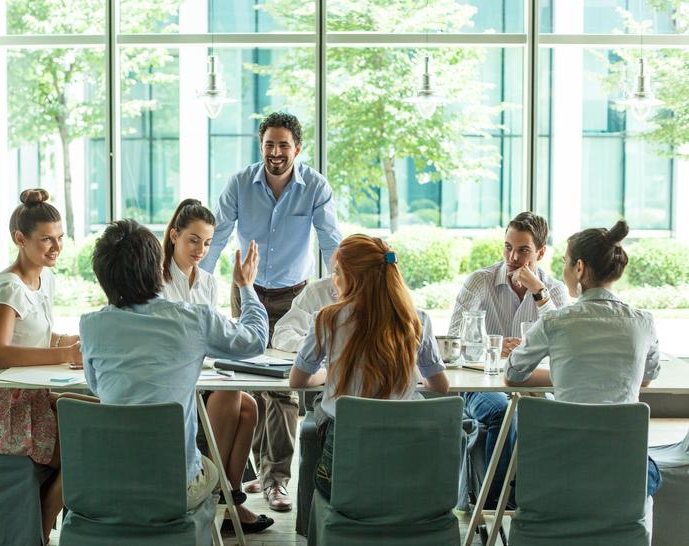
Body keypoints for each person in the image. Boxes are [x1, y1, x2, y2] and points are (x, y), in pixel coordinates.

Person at [80, 219, 273, 535]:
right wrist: (246, 286)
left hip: (109, 483)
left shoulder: (91, 325)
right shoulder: (192, 319)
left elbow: (97, 387)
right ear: (157, 269)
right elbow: (253, 340)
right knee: (212, 471)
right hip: (174, 487)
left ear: (104, 277)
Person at [200, 111, 343, 512]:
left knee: (283, 388)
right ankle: (248, 473)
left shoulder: (314, 186)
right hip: (247, 291)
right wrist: (199, 289)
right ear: (260, 146)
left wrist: (341, 292)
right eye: (269, 145)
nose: (276, 153)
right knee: (246, 379)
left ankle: (277, 479)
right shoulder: (239, 184)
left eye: (283, 145)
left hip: (293, 297)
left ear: (297, 148)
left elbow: (332, 242)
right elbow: (216, 240)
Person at [0, 189, 97, 546]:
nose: (56, 247)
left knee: (95, 414)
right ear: (20, 239)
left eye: (60, 238)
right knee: (86, 450)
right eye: (46, 240)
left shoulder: (43, 279)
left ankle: (53, 516)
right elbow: (0, 353)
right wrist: (61, 353)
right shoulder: (9, 287)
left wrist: (73, 340)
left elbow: (39, 334)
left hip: (28, 396)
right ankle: (38, 528)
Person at [505, 220, 661, 497]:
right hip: (624, 467)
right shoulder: (643, 322)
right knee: (651, 470)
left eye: (566, 263)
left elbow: (513, 374)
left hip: (566, 460)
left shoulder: (555, 321)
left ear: (579, 268)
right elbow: (647, 378)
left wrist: (567, 372)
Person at [289, 234, 450, 498]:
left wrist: (329, 374)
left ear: (353, 277)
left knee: (323, 412)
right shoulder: (417, 319)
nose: (334, 279)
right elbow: (440, 386)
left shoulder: (326, 319)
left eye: (337, 272)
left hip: (344, 476)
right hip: (406, 474)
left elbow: (297, 381)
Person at [160, 199, 272, 532]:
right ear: (174, 235)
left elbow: (212, 335)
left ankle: (228, 496)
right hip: (175, 380)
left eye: (207, 243)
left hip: (201, 373)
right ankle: (209, 496)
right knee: (231, 396)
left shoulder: (207, 281)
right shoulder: (156, 279)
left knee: (248, 406)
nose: (200, 249)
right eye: (193, 240)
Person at [447, 211, 569, 508]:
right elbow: (453, 339)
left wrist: (538, 294)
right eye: (507, 247)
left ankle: (543, 504)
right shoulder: (481, 281)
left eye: (523, 250)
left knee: (558, 415)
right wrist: (497, 345)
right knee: (504, 412)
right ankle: (495, 507)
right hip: (482, 382)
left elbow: (566, 348)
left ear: (540, 252)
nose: (513, 257)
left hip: (532, 384)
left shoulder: (553, 290)